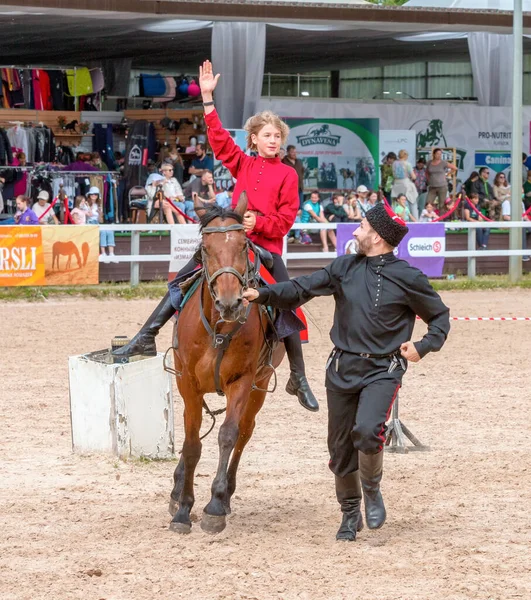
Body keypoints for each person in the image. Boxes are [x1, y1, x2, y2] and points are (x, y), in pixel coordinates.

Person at [113, 59, 318, 412]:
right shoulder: (243, 162)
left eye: (278, 137)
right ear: (254, 139)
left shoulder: (288, 174)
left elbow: (285, 220)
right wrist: (207, 98)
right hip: (230, 244)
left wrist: (260, 224)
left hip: (264, 249)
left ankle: (298, 375)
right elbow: (220, 141)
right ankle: (146, 336)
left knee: (287, 303)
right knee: (182, 281)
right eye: (267, 136)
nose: (274, 141)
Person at [242, 202, 450, 541]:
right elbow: (301, 288)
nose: (355, 231)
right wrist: (262, 294)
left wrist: (423, 347)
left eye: (363, 226)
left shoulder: (409, 277)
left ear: (379, 236)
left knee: (367, 431)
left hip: (383, 369)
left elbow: (440, 317)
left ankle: (371, 489)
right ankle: (349, 513)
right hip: (341, 368)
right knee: (338, 449)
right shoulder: (344, 268)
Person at [391, 149, 418, 220]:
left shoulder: (394, 163)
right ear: (405, 155)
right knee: (412, 202)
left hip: (396, 185)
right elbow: (413, 176)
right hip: (405, 184)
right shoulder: (407, 164)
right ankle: (415, 220)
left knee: (395, 204)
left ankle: (394, 220)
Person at [501, 196, 530, 261]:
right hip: (510, 223)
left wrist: (529, 222)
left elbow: (524, 215)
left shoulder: (521, 202)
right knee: (522, 228)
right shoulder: (507, 202)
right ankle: (524, 254)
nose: (522, 194)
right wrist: (517, 220)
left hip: (521, 222)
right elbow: (505, 217)